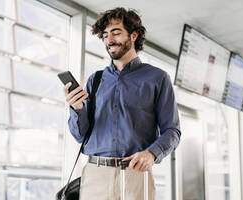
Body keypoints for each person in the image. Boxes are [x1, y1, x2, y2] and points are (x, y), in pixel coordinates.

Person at [64, 7, 181, 200]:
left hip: (135, 174)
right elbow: (80, 136)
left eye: (116, 33)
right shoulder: (96, 80)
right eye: (105, 35)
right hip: (96, 175)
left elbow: (172, 131)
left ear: (133, 35)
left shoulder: (157, 78)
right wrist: (77, 109)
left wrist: (151, 154)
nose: (109, 40)